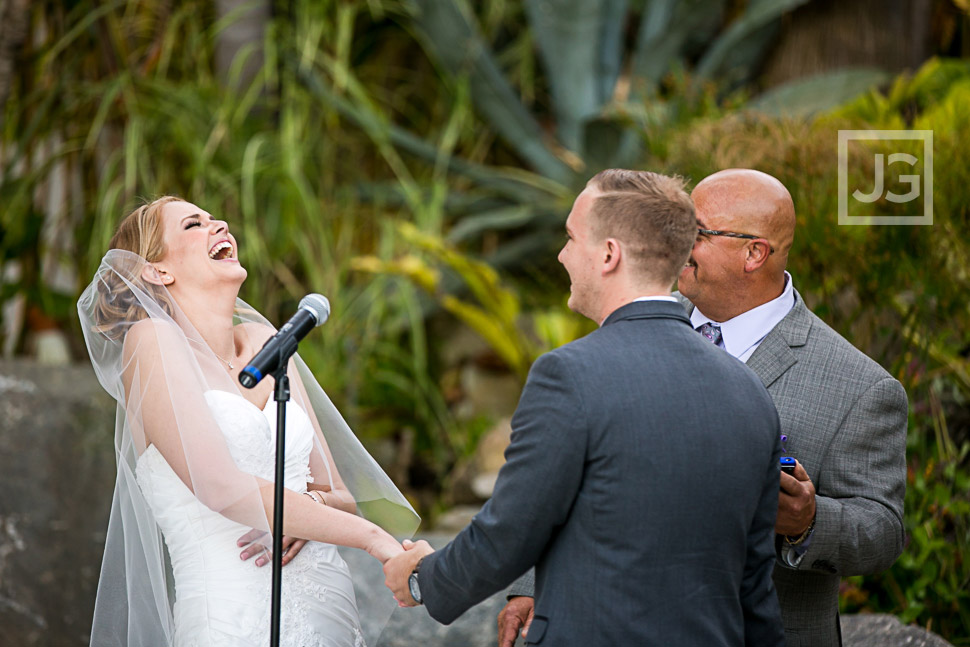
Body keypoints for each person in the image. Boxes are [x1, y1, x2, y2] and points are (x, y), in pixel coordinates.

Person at [498, 169, 908, 647]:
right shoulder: (634, 321)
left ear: (754, 254)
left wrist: (807, 523)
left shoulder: (860, 387)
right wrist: (531, 586)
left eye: (696, 231)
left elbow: (883, 532)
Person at [383, 170, 786, 646]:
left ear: (609, 254)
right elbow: (754, 585)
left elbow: (509, 533)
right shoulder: (749, 390)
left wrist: (422, 578)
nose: (562, 254)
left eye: (572, 238)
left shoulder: (568, 375)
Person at [77, 197, 419, 647]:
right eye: (194, 224)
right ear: (157, 271)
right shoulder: (151, 342)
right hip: (233, 615)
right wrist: (375, 539)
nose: (218, 224)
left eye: (215, 217)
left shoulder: (267, 341)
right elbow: (220, 486)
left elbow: (338, 492)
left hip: (329, 605)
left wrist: (303, 513)